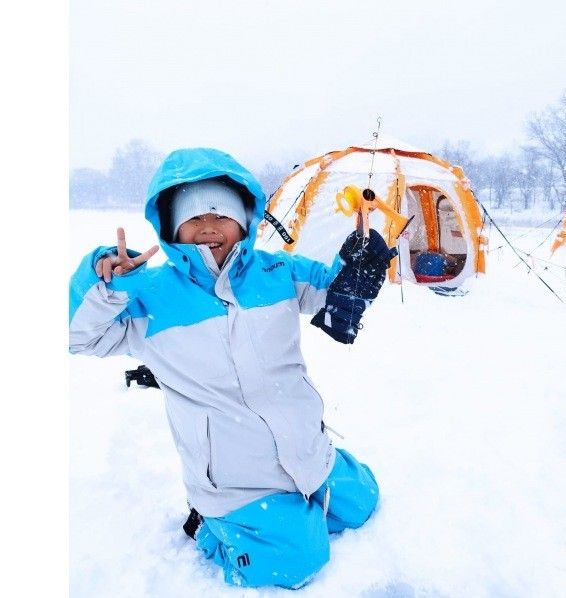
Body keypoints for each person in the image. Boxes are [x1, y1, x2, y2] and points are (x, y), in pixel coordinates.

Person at [69, 147, 396, 588]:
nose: (208, 227)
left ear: (245, 218)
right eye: (192, 217)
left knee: (363, 503)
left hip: (304, 449)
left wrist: (355, 268)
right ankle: (210, 526)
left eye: (220, 214)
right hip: (235, 478)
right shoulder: (149, 296)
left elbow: (331, 292)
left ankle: (302, 495)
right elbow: (78, 336)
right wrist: (104, 283)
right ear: (170, 228)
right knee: (298, 561)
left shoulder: (277, 271)